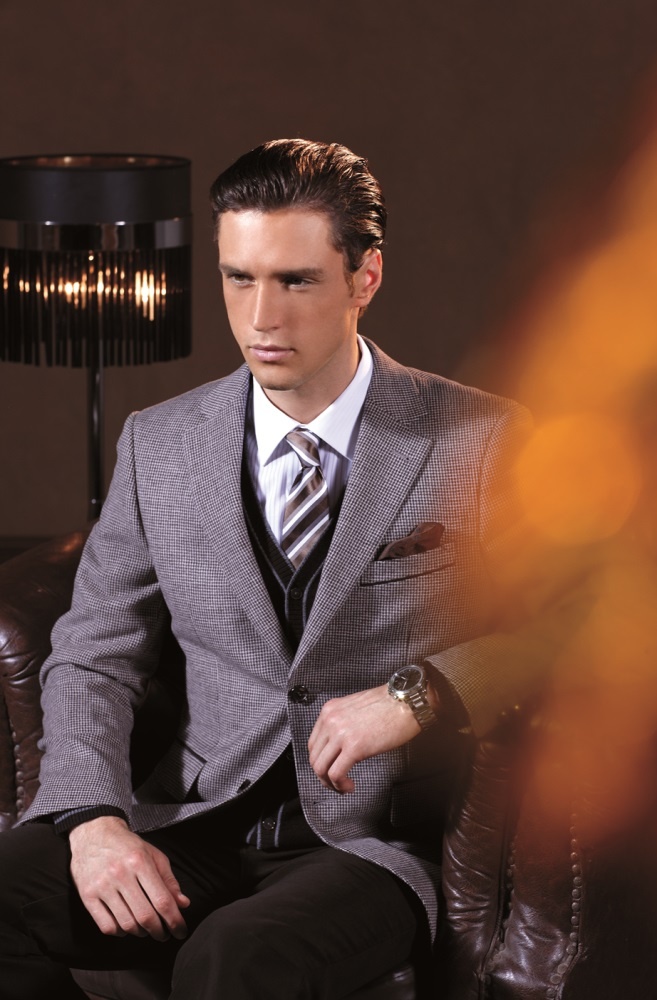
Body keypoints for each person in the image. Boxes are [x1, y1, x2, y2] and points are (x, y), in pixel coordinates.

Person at [0, 139, 536, 999]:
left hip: (371, 843)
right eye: (238, 278)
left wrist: (417, 694)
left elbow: (578, 626)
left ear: (364, 278)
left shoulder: (483, 441)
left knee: (234, 959)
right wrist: (93, 818)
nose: (261, 318)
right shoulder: (158, 443)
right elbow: (93, 655)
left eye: (295, 281)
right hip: (192, 818)